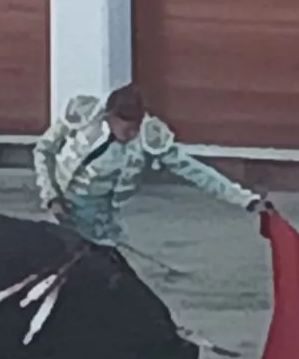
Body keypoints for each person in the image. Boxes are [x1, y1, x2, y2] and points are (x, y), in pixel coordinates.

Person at [34, 83, 266, 249]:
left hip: (100, 221)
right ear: (110, 117)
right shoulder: (84, 116)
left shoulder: (147, 137)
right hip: (59, 210)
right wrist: (51, 196)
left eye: (136, 127)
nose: (132, 134)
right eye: (127, 128)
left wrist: (246, 199)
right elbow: (44, 150)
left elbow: (196, 171)